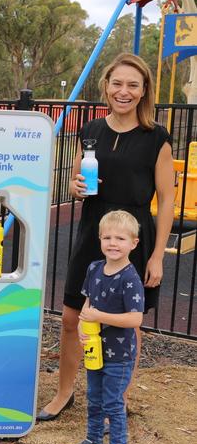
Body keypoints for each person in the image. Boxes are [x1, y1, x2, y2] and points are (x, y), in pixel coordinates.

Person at [37, 53, 174, 421]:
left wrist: (158, 255)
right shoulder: (91, 131)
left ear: (144, 90)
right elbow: (78, 181)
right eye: (117, 83)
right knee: (70, 318)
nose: (123, 91)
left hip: (133, 239)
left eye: (132, 85)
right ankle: (64, 393)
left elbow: (166, 200)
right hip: (93, 233)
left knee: (126, 324)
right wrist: (74, 187)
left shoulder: (156, 138)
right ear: (106, 87)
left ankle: (119, 398)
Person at [68, 210, 143, 444]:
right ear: (100, 239)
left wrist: (99, 317)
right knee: (94, 397)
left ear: (133, 243)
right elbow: (88, 301)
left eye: (120, 238)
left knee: (113, 402)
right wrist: (80, 325)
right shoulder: (94, 268)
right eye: (107, 237)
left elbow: (135, 318)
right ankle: (93, 439)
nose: (113, 243)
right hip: (94, 349)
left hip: (120, 355)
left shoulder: (130, 279)